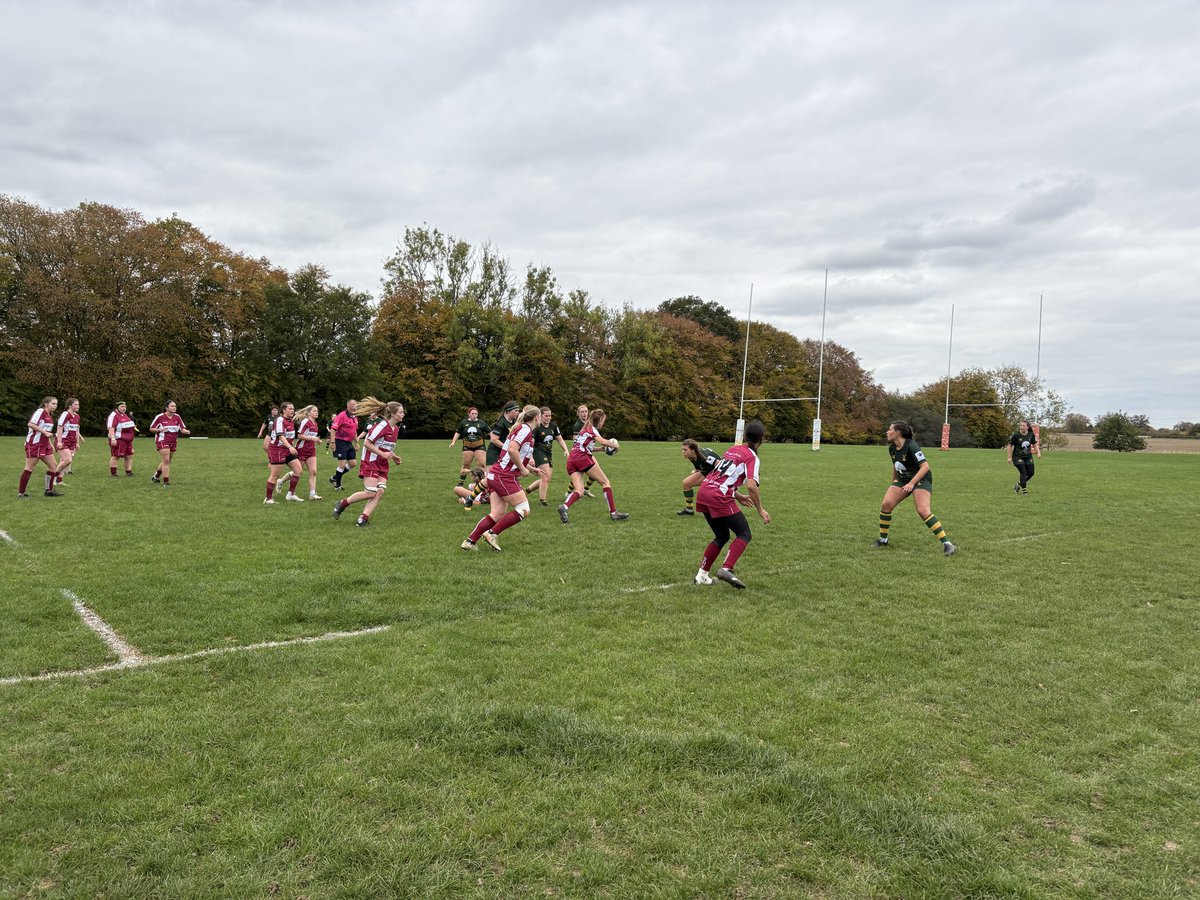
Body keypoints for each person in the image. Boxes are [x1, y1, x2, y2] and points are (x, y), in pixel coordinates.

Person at [693, 419, 771, 589]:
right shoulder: (752, 457)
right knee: (744, 533)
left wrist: (738, 495)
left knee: (721, 536)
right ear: (761, 440)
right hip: (718, 496)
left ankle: (701, 576)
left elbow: (721, 477)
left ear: (745, 436)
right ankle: (726, 568)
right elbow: (752, 485)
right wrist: (760, 509)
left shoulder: (733, 449)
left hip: (704, 491)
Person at [461, 404, 541, 551]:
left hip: (497, 474)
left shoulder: (519, 429)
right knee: (523, 509)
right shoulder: (525, 429)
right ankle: (492, 534)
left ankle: (469, 542)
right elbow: (511, 450)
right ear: (537, 417)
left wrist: (530, 469)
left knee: (497, 514)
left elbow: (512, 454)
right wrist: (523, 469)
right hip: (504, 476)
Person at [873, 421, 957, 556]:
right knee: (886, 505)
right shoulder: (892, 448)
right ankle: (883, 539)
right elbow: (896, 465)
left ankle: (948, 544)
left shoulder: (912, 446)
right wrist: (894, 481)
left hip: (921, 479)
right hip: (903, 480)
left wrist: (912, 483)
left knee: (923, 511)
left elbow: (925, 467)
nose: (887, 432)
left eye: (889, 430)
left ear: (898, 433)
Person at [333, 398, 404, 527]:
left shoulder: (396, 430)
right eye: (401, 412)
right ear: (393, 414)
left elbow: (386, 448)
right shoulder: (382, 426)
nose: (403, 414)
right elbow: (367, 443)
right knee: (371, 492)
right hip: (370, 462)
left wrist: (394, 457)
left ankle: (363, 518)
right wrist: (383, 454)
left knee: (380, 491)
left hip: (382, 464)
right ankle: (342, 504)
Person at [557, 408, 629, 523]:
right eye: (603, 421)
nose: (603, 423)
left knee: (579, 490)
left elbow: (585, 446)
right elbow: (603, 441)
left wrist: (601, 449)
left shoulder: (584, 429)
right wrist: (615, 446)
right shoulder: (592, 429)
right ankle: (613, 513)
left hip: (572, 459)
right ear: (599, 421)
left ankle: (564, 507)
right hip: (582, 458)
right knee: (605, 482)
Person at [525, 406, 569, 506]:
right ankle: (542, 501)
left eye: (550, 416)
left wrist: (566, 450)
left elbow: (560, 439)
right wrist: (531, 457)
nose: (548, 417)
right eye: (546, 416)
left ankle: (526, 491)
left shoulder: (553, 426)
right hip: (538, 452)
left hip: (548, 453)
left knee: (546, 478)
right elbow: (531, 443)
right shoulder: (537, 427)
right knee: (545, 476)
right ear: (540, 416)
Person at [19, 396, 61, 498]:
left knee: (53, 466)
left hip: (44, 445)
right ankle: (21, 494)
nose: (55, 406)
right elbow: (31, 424)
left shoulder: (49, 415)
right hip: (34, 444)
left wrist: (50, 444)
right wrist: (44, 432)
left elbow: (46, 433)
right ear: (46, 404)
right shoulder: (40, 412)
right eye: (53, 403)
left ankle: (49, 491)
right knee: (29, 468)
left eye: (56, 404)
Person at [264, 402, 304, 504]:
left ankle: (291, 494)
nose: (292, 411)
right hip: (278, 450)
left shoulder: (290, 421)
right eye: (290, 409)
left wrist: (291, 445)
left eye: (293, 409)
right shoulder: (279, 420)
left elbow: (289, 436)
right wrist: (290, 447)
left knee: (298, 470)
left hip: (287, 450)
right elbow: (280, 436)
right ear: (283, 410)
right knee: (275, 475)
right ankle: (268, 499)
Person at [149, 400, 190, 486]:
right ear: (166, 407)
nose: (174, 407)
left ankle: (156, 476)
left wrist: (185, 431)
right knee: (166, 460)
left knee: (167, 461)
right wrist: (159, 429)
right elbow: (151, 429)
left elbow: (182, 428)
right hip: (162, 440)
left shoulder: (177, 417)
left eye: (175, 406)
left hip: (173, 441)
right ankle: (166, 482)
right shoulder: (160, 417)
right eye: (172, 406)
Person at [678, 439, 721, 515]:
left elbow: (719, 465)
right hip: (707, 471)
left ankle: (720, 511)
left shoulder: (705, 456)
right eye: (682, 449)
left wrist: (714, 479)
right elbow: (701, 465)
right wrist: (696, 470)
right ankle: (689, 510)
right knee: (686, 483)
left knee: (706, 491)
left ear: (693, 450)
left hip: (717, 473)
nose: (683, 452)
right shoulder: (691, 455)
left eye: (685, 450)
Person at [449, 406, 488, 486]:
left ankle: (483, 483)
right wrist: (453, 442)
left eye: (476, 414)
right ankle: (461, 483)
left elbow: (490, 433)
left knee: (482, 464)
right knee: (466, 464)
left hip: (480, 446)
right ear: (469, 414)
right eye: (472, 413)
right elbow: (458, 433)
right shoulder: (463, 423)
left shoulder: (482, 423)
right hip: (467, 446)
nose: (474, 415)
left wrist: (495, 440)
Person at [328, 399, 362, 490]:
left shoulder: (355, 416)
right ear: (348, 406)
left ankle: (334, 478)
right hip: (340, 441)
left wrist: (356, 443)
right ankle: (338, 485)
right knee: (342, 464)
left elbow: (354, 430)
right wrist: (332, 442)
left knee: (353, 463)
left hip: (349, 442)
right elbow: (333, 429)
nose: (355, 407)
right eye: (353, 405)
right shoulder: (342, 415)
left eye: (356, 405)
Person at [568, 403, 598, 498]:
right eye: (582, 412)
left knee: (593, 472)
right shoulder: (577, 426)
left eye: (586, 411)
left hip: (588, 451)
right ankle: (569, 492)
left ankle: (586, 489)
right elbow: (575, 442)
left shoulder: (589, 423)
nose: (584, 413)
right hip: (580, 454)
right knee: (580, 474)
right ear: (578, 413)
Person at [295, 404, 324, 500]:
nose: (317, 413)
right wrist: (312, 438)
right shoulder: (305, 421)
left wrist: (317, 440)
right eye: (314, 411)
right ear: (308, 413)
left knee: (313, 472)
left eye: (317, 411)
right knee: (297, 472)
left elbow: (313, 437)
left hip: (311, 450)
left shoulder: (315, 423)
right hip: (301, 449)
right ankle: (281, 481)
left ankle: (312, 495)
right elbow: (299, 436)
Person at [54, 397, 84, 484]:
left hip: (71, 441)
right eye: (76, 404)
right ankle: (53, 477)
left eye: (78, 404)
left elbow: (76, 430)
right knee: (68, 460)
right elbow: (59, 427)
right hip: (63, 440)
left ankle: (59, 480)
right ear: (70, 406)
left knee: (64, 461)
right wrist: (59, 441)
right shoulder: (65, 414)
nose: (78, 406)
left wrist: (77, 442)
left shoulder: (77, 416)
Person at [1007, 419, 1041, 495]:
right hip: (1017, 457)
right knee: (1023, 472)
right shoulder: (1016, 435)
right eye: (1020, 425)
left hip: (1028, 457)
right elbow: (1009, 446)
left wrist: (1038, 453)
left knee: (1031, 473)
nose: (1021, 427)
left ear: (1027, 427)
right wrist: (1009, 457)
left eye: (1023, 426)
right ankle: (1024, 491)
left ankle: (1018, 485)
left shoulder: (1031, 435)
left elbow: (1035, 444)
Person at [106, 401, 138, 476]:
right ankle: (113, 473)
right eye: (122, 407)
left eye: (125, 407)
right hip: (119, 440)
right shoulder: (113, 415)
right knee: (116, 456)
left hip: (128, 440)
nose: (124, 408)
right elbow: (111, 428)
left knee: (129, 456)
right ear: (117, 408)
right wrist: (113, 438)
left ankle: (128, 472)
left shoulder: (124, 415)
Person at [486, 401, 522, 467]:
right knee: (491, 476)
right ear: (508, 411)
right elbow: (493, 440)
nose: (518, 413)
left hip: (505, 453)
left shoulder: (514, 422)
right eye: (515, 411)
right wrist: (507, 448)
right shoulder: (501, 423)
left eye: (518, 411)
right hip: (495, 453)